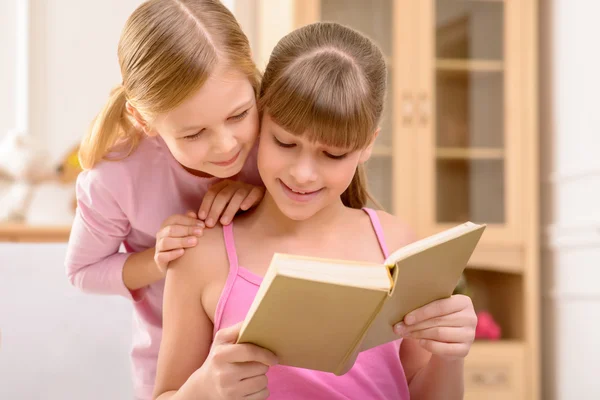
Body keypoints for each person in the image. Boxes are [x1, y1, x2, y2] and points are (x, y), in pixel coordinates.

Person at [153, 21, 477, 400]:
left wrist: (450, 358)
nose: (302, 174)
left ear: (367, 145)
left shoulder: (398, 244)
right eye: (285, 142)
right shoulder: (201, 254)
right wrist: (204, 389)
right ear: (260, 118)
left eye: (333, 154)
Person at [64, 1, 266, 398]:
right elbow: (82, 271)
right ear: (143, 120)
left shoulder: (274, 138)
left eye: (239, 115)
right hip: (174, 378)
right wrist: (158, 259)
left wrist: (264, 198)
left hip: (275, 362)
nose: (226, 147)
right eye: (193, 134)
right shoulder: (115, 176)